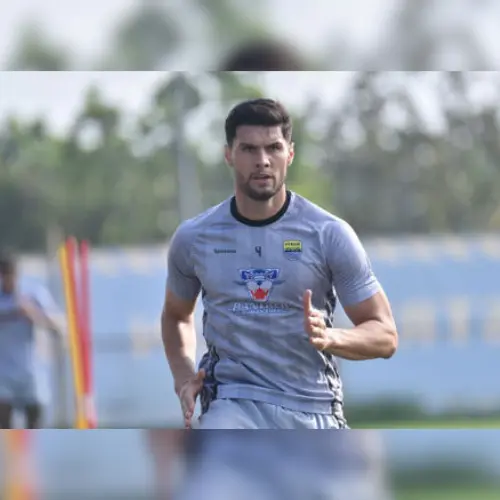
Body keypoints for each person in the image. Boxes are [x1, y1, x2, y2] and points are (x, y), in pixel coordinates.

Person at [161, 98, 398, 430]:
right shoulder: (194, 237)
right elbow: (176, 315)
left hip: (313, 406)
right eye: (248, 149)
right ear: (228, 154)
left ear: (290, 153)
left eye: (273, 147)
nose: (262, 161)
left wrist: (330, 337)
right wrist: (184, 376)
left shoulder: (328, 233)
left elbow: (385, 334)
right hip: (233, 403)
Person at [0, 251, 63, 428]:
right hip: (3, 373)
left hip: (31, 371)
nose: (8, 280)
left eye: (12, 275)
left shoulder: (33, 294)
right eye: (4, 275)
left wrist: (33, 315)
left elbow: (58, 327)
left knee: (34, 424)